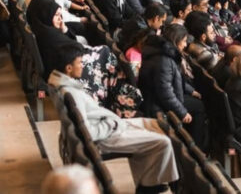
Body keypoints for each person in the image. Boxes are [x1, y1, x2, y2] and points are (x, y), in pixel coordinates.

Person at [49, 44, 179, 192]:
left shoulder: (60, 84)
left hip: (107, 125)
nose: (83, 66)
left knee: (155, 125)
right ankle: (150, 186)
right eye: (79, 62)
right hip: (104, 137)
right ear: (68, 68)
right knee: (162, 142)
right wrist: (112, 125)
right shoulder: (70, 93)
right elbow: (87, 133)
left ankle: (149, 181)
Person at [138, 24, 208, 151]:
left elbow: (175, 79)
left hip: (159, 98)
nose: (186, 45)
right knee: (199, 108)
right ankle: (197, 150)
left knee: (198, 104)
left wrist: (191, 91)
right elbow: (165, 93)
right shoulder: (164, 60)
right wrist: (182, 112)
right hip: (157, 105)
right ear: (177, 40)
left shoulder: (161, 51)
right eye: (184, 41)